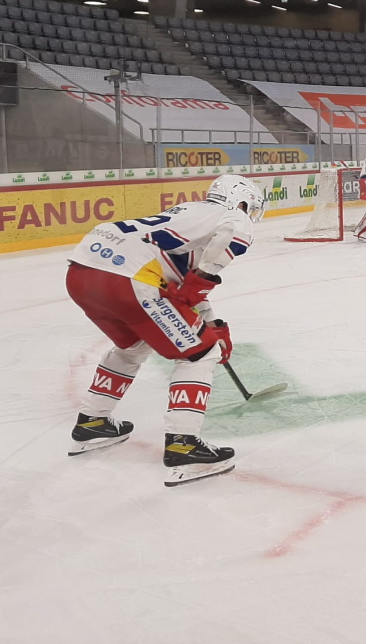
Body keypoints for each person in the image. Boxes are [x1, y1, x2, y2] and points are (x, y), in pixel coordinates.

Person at [64, 174, 265, 487]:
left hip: (83, 270)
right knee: (200, 353)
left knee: (133, 347)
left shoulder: (188, 215)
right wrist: (203, 289)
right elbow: (234, 234)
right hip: (129, 277)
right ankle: (183, 446)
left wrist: (211, 323)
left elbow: (181, 287)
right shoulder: (231, 215)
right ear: (240, 201)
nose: (248, 214)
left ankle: (93, 422)